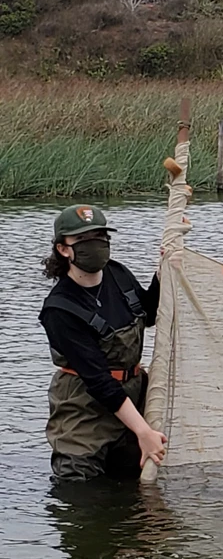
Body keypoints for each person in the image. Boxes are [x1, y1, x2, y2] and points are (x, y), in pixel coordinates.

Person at [40, 204, 168, 483]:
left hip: (133, 396)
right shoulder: (60, 310)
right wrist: (143, 432)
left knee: (137, 490)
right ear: (64, 249)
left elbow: (148, 313)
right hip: (85, 410)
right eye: (84, 240)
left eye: (100, 236)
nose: (95, 245)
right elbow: (99, 381)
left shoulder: (117, 273)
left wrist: (164, 271)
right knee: (82, 494)